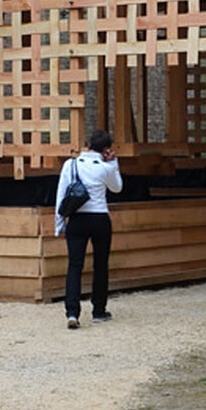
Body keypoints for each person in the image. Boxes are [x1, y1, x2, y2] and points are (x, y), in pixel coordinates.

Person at [55, 129, 122, 330]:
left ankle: (72, 312)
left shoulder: (71, 164)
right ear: (106, 149)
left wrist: (59, 224)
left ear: (88, 143)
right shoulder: (105, 167)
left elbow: (61, 194)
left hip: (77, 218)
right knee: (100, 264)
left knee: (74, 265)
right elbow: (117, 188)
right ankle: (99, 310)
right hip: (100, 217)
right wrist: (113, 162)